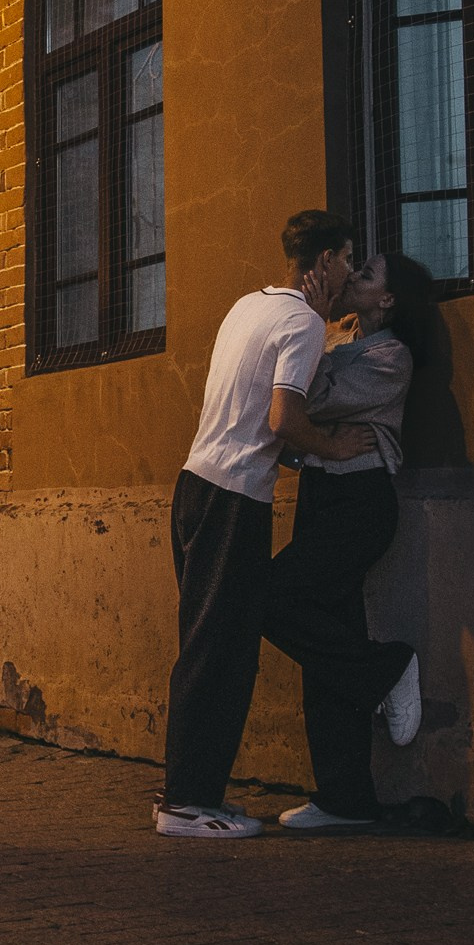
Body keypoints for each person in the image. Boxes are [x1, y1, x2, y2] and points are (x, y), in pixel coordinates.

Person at [154, 210, 355, 840]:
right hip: (232, 501)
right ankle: (186, 804)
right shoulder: (302, 322)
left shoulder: (250, 306)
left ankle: (193, 793)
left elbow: (246, 412)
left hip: (194, 486)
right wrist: (334, 448)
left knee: (208, 644)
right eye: (347, 258)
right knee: (222, 653)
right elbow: (281, 420)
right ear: (322, 263)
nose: (349, 270)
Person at [265, 251, 436, 832]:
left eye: (366, 275)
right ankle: (345, 798)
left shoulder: (390, 356)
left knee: (270, 599)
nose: (352, 278)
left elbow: (308, 401)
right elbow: (291, 417)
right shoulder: (336, 337)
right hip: (319, 495)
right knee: (327, 643)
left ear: (387, 300)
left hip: (361, 503)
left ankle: (389, 665)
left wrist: (307, 326)